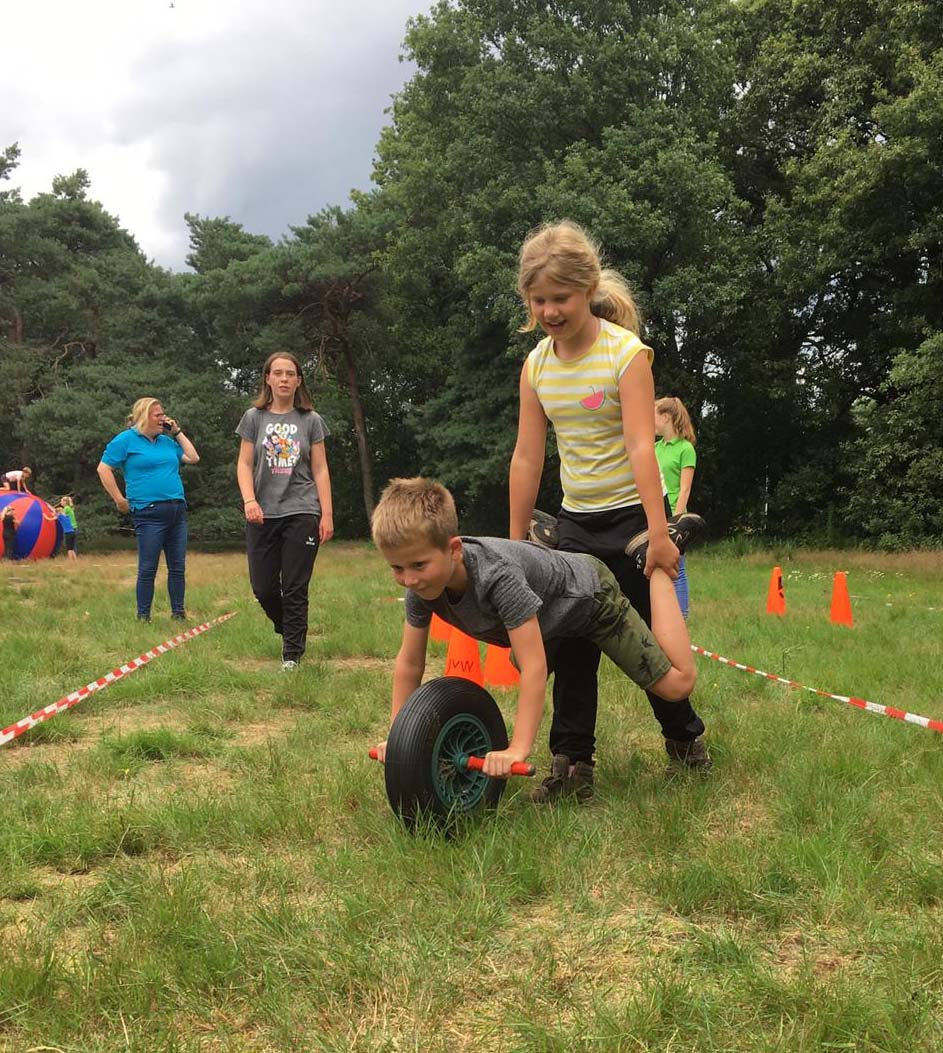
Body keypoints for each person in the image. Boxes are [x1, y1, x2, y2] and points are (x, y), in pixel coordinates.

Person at [508, 220, 711, 800]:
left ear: (588, 289)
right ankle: (572, 765)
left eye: (561, 298)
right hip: (575, 524)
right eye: (538, 300)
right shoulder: (536, 366)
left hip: (633, 523)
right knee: (572, 643)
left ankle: (685, 740)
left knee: (646, 642)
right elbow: (527, 456)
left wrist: (659, 532)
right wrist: (516, 541)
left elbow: (641, 447)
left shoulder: (625, 354)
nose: (550, 311)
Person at [370, 477, 700, 777]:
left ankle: (656, 557)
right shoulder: (420, 590)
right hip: (550, 617)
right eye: (397, 568)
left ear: (454, 549)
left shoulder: (497, 577)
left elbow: (534, 668)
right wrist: (399, 736)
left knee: (677, 685)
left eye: (418, 565)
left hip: (591, 597)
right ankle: (542, 547)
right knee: (518, 658)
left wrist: (517, 748)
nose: (409, 579)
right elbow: (410, 663)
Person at [236, 352, 334, 671]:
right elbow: (244, 464)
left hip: (302, 510)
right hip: (262, 513)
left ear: (298, 381)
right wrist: (249, 501)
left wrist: (327, 514)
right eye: (277, 373)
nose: (283, 379)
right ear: (267, 378)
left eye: (290, 374)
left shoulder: (311, 420)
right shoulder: (254, 418)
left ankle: (292, 653)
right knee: (263, 588)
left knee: (294, 586)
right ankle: (287, 625)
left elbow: (320, 469)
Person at [97, 398, 199, 621]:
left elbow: (193, 457)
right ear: (144, 416)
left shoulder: (166, 442)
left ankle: (178, 613)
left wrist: (177, 432)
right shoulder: (126, 440)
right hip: (148, 512)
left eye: (163, 414)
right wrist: (119, 499)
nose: (163, 418)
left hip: (177, 509)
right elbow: (103, 469)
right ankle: (143, 616)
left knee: (177, 567)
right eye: (158, 415)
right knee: (148, 567)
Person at [655, 397, 698, 618]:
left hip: (674, 515)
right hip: (655, 513)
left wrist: (677, 521)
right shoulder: (654, 448)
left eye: (654, 415)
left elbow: (685, 489)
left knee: (677, 568)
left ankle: (681, 616)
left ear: (666, 417)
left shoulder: (685, 449)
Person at [58, 495, 79, 561]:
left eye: (61, 501)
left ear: (65, 502)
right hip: (74, 528)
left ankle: (72, 561)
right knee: (73, 546)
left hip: (71, 528)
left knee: (70, 547)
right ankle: (75, 561)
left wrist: (55, 511)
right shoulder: (70, 508)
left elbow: (62, 514)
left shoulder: (66, 508)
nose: (60, 502)